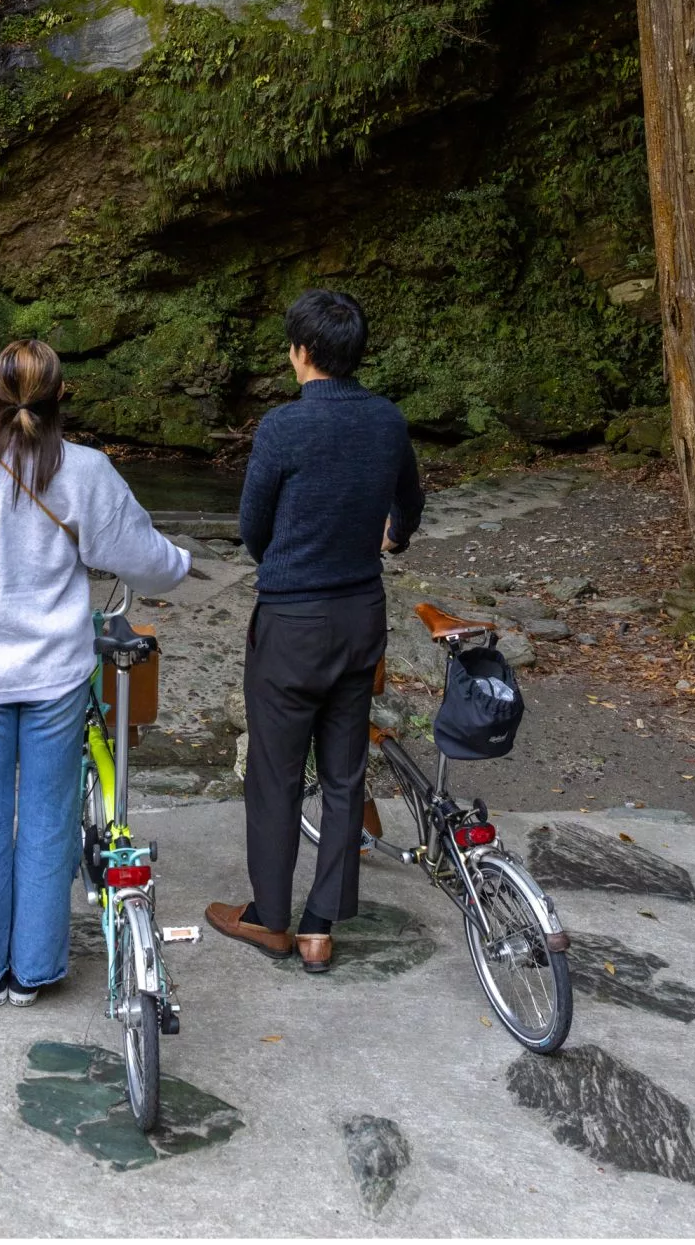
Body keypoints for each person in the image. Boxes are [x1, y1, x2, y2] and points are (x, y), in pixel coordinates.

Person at [0, 338, 190, 1006]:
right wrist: (187, 565)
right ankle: (33, 971)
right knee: (47, 817)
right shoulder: (86, 470)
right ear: (60, 394)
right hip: (55, 672)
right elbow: (140, 553)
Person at [208, 289, 423, 975]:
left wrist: (283, 559)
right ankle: (320, 927)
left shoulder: (283, 427)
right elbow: (409, 502)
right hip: (360, 615)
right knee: (342, 774)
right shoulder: (387, 421)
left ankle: (271, 917)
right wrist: (393, 535)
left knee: (275, 774)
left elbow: (252, 528)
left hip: (292, 622)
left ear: (301, 352)